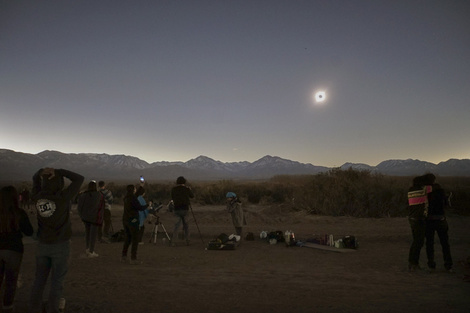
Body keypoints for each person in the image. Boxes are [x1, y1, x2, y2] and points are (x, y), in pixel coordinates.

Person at [29, 167, 84, 313]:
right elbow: (79, 178)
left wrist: (40, 171)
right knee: (57, 282)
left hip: (42, 244)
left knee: (39, 281)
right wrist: (59, 171)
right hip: (60, 244)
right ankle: (53, 309)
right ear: (59, 183)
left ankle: (34, 308)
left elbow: (34, 180)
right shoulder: (63, 197)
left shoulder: (37, 197)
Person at [0, 186, 34, 313]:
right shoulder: (19, 213)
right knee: (11, 280)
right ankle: (7, 306)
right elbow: (29, 231)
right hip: (14, 249)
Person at [407, 173, 433, 272]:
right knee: (419, 242)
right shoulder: (424, 190)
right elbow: (434, 188)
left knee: (416, 241)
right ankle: (414, 263)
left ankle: (411, 262)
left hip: (412, 218)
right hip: (419, 219)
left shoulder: (410, 191)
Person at [425, 182, 453, 273]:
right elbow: (447, 206)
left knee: (430, 243)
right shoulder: (442, 195)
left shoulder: (428, 195)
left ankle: (431, 264)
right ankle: (448, 265)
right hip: (441, 220)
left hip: (430, 221)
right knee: (445, 243)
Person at [77, 180, 104, 258]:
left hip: (85, 217)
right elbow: (101, 208)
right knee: (93, 235)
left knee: (87, 233)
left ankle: (87, 248)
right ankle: (91, 251)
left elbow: (79, 207)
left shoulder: (83, 195)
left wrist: (81, 216)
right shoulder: (99, 195)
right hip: (95, 218)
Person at [121, 184, 147, 264]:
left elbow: (136, 195)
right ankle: (133, 258)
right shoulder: (133, 199)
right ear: (133, 190)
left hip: (125, 220)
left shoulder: (127, 197)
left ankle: (124, 256)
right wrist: (147, 205)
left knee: (128, 238)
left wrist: (141, 187)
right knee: (135, 239)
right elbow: (139, 207)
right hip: (133, 220)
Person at [170, 176, 194, 246]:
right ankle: (187, 241)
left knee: (176, 226)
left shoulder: (174, 189)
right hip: (185, 209)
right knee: (186, 225)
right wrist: (189, 190)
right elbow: (192, 196)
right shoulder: (186, 189)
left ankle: (173, 241)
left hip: (177, 209)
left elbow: (172, 197)